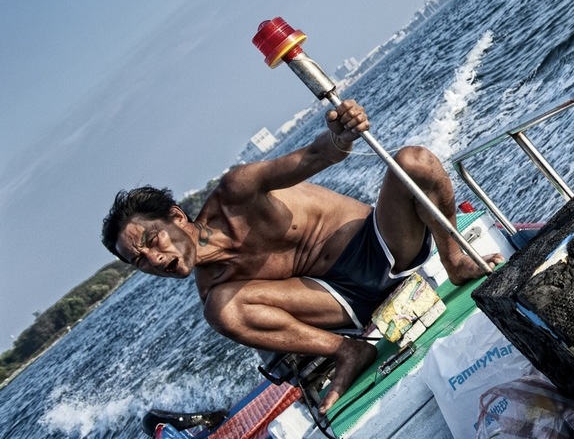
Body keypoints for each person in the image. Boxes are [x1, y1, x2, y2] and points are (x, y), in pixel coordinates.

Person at [101, 100, 501, 413]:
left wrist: (341, 133)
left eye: (152, 240)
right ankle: (349, 351)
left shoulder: (237, 191)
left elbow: (316, 156)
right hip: (340, 301)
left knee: (415, 160)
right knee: (221, 309)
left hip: (382, 244)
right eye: (139, 261)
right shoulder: (215, 287)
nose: (153, 259)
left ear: (174, 217)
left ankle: (455, 260)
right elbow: (267, 318)